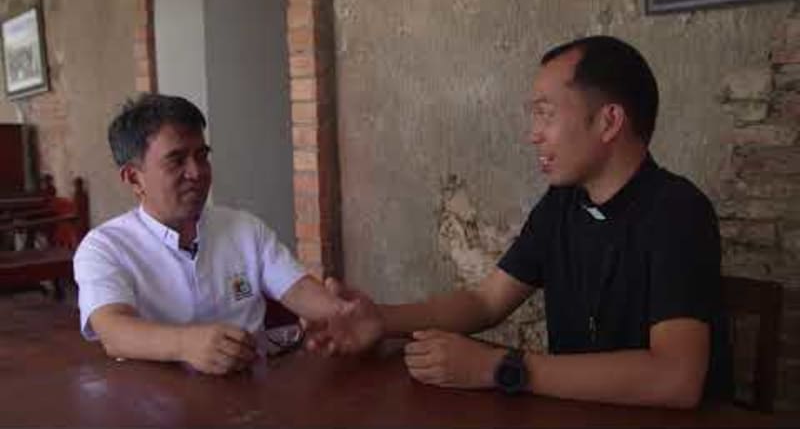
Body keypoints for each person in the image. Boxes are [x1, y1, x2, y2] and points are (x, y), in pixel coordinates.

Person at [310, 36, 733, 408]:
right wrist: (381, 320)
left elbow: (675, 377)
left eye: (546, 114)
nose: (534, 134)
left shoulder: (678, 211)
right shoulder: (563, 204)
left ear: (609, 122)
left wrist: (501, 368)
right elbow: (485, 302)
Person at [74, 94, 379, 375]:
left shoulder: (243, 228)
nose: (197, 172)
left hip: (254, 391)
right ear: (133, 178)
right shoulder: (105, 247)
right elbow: (112, 330)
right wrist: (185, 344)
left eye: (201, 156)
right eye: (176, 160)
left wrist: (342, 313)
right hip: (157, 399)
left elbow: (296, 289)